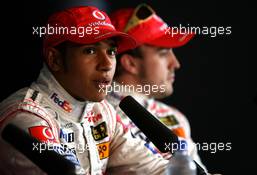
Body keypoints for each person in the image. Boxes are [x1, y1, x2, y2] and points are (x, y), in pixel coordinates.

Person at [0, 6, 169, 175]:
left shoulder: (102, 111)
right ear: (55, 59)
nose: (107, 64)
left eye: (111, 51)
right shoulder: (24, 117)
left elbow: (152, 168)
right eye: (90, 50)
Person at [106, 3, 207, 170]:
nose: (175, 63)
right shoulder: (100, 115)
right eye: (163, 53)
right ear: (130, 63)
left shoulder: (175, 117)